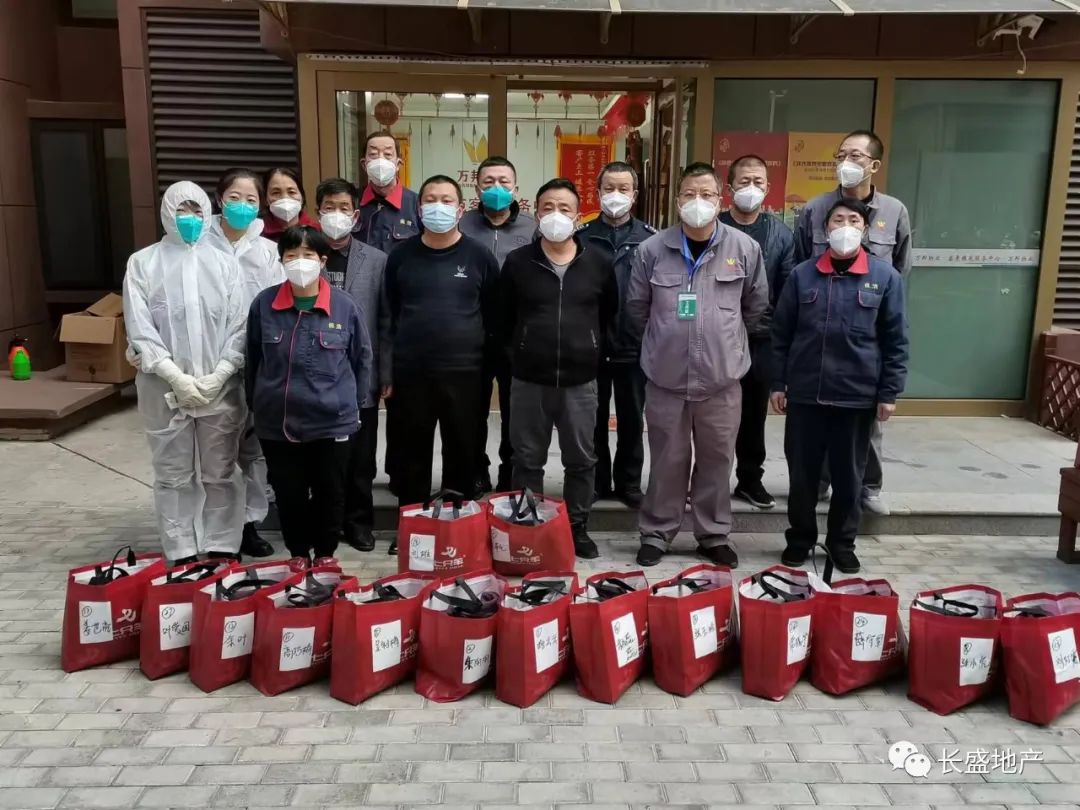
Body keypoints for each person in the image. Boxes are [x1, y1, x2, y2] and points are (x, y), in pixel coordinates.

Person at [626, 163, 768, 569]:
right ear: (677, 201)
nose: (697, 202)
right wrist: (668, 340)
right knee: (667, 461)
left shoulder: (744, 249)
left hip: (721, 382)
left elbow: (756, 307)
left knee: (717, 461)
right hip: (666, 379)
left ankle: (713, 534)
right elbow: (636, 309)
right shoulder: (652, 250)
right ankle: (657, 532)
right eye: (689, 194)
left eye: (706, 195)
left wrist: (725, 343)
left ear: (720, 201)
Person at [772, 199, 909, 574]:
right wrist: (778, 383)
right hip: (806, 394)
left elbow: (896, 340)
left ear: (865, 230)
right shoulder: (802, 275)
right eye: (837, 220)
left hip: (856, 396)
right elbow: (781, 335)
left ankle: (842, 543)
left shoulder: (885, 277)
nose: (845, 226)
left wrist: (889, 392)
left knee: (849, 478)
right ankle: (800, 540)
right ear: (826, 228)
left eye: (853, 220)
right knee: (803, 476)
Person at [123, 181, 247, 565]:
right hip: (163, 388)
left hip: (220, 388)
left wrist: (220, 373)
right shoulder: (143, 263)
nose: (190, 218)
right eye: (182, 210)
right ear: (166, 213)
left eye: (197, 210)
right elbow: (140, 328)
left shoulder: (225, 264)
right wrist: (175, 376)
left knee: (220, 470)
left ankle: (223, 544)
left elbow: (240, 325)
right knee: (173, 472)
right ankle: (181, 550)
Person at [794, 130, 912, 516]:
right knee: (819, 418)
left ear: (874, 164)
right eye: (842, 154)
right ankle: (819, 482)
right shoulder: (815, 209)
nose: (846, 162)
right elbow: (800, 265)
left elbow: (900, 270)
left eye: (856, 155)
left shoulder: (894, 211)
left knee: (865, 420)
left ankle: (868, 486)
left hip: (868, 326)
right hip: (819, 325)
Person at [500, 178, 617, 560]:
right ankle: (528, 527)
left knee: (581, 460)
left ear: (579, 216)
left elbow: (610, 314)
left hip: (581, 381)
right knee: (526, 459)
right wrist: (519, 353)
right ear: (536, 213)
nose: (555, 215)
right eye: (547, 207)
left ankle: (576, 527)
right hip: (529, 380)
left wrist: (592, 351)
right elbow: (502, 317)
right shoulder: (518, 263)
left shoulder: (598, 263)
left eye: (564, 209)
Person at [246, 226, 373, 569]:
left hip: (332, 421)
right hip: (278, 421)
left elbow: (361, 359)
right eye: (291, 255)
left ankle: (326, 554)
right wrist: (257, 406)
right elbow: (253, 360)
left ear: (322, 260)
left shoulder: (344, 307)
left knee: (331, 492)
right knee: (289, 493)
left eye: (307, 255)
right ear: (281, 261)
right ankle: (299, 554)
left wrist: (353, 407)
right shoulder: (264, 305)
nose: (299, 262)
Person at [385, 174, 499, 553]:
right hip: (411, 373)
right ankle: (411, 528)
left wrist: (489, 369)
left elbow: (493, 315)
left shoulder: (479, 256)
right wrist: (387, 369)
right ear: (419, 209)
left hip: (466, 374)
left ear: (461, 209)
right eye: (430, 199)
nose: (438, 206)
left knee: (462, 451)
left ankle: (456, 530)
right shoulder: (400, 256)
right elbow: (388, 315)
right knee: (411, 454)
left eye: (446, 200)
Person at [206, 168, 286, 559]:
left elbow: (277, 305)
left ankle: (250, 524)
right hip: (208, 362)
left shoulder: (268, 251)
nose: (242, 205)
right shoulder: (199, 246)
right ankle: (219, 529)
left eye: (251, 199)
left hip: (255, 361)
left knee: (252, 451)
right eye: (234, 197)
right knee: (216, 452)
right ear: (219, 199)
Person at [315, 177, 391, 553]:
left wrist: (386, 372)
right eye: (329, 207)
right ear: (317, 213)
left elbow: (386, 321)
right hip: (315, 376)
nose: (336, 214)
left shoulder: (377, 260)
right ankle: (327, 523)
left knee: (361, 457)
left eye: (344, 208)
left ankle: (359, 523)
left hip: (362, 374)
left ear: (356, 216)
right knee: (323, 458)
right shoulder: (304, 256)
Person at [719, 154, 796, 511]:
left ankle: (750, 479)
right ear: (729, 187)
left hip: (761, 338)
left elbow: (786, 290)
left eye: (758, 182)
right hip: (716, 337)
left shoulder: (781, 235)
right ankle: (707, 479)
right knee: (712, 413)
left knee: (753, 414)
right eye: (744, 181)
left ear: (768, 187)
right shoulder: (712, 226)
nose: (751, 188)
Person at [580, 161, 655, 509]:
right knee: (592, 419)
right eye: (609, 188)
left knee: (631, 419)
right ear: (598, 193)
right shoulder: (581, 237)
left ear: (634, 195)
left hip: (634, 345)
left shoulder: (651, 240)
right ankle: (596, 481)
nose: (616, 195)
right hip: (591, 346)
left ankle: (629, 483)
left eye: (623, 189)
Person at [459, 156, 536, 494]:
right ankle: (476, 470)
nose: (497, 188)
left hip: (515, 335)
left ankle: (510, 472)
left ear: (516, 188)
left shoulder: (532, 229)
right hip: (471, 333)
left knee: (514, 410)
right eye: (488, 182)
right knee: (471, 410)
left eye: (504, 182)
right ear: (476, 188)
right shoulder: (461, 225)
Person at [355, 132, 421, 255]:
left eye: (388, 154)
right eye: (373, 154)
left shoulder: (416, 204)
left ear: (398, 164)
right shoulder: (352, 201)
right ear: (364, 164)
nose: (381, 160)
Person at [261, 167, 319, 242]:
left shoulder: (318, 232)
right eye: (276, 193)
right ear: (265, 200)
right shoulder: (257, 233)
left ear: (302, 197)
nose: (285, 198)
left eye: (291, 192)